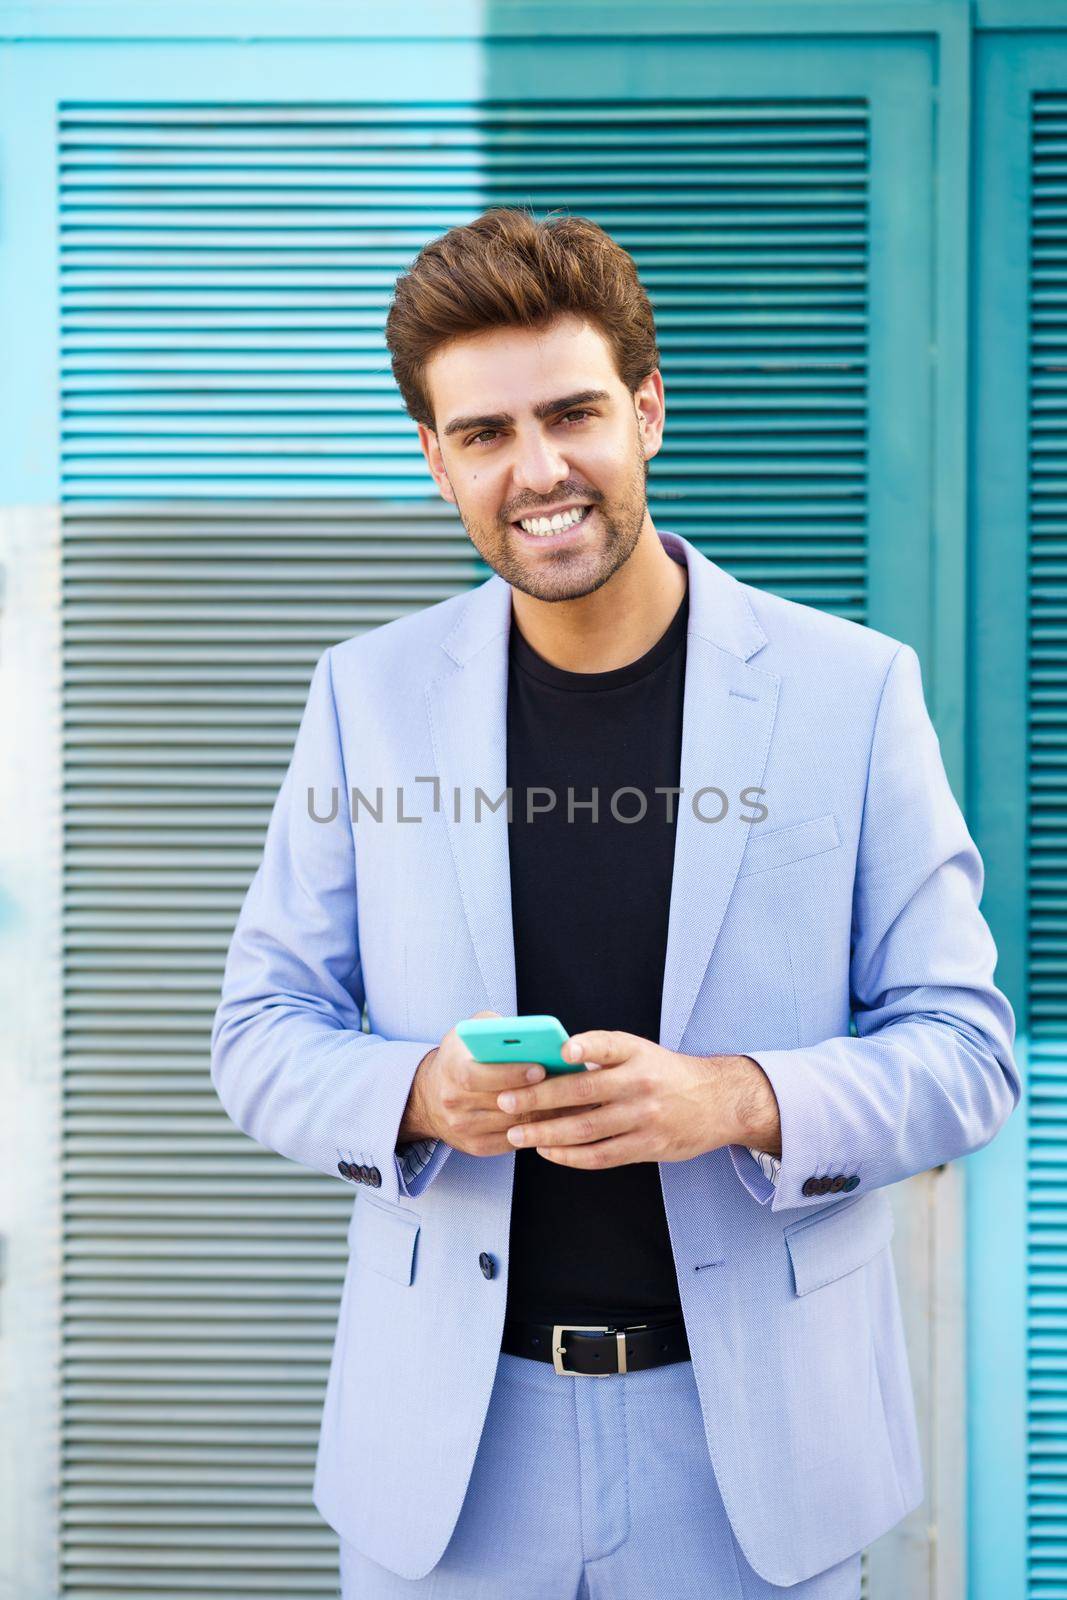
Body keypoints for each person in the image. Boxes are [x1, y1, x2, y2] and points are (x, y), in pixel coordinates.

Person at [210, 208, 1020, 1599]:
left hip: (758, 1460)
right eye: (484, 435)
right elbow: (259, 1033)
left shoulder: (853, 690)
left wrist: (741, 1099)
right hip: (450, 1466)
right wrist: (416, 1092)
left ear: (647, 410)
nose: (539, 471)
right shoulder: (367, 698)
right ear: (436, 459)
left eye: (575, 412)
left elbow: (967, 1051)